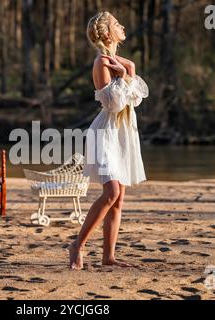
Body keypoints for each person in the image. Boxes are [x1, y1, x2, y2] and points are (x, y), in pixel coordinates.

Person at [69, 11, 149, 270]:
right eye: (116, 24)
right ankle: (77, 245)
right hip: (105, 133)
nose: (122, 26)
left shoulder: (123, 62)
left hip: (124, 133)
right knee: (111, 191)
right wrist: (123, 78)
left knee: (119, 197)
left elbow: (137, 98)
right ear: (106, 34)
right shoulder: (101, 62)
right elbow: (114, 105)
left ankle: (108, 256)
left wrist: (128, 74)